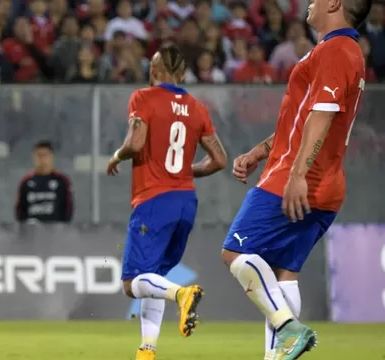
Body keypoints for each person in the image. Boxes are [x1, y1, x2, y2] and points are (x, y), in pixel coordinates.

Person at [220, 0, 372, 358]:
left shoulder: (337, 49)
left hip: (296, 177)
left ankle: (290, 328)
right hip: (326, 184)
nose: (309, 2)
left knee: (235, 252)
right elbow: (304, 119)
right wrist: (261, 150)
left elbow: (321, 116)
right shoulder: (341, 50)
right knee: (282, 272)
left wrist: (298, 173)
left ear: (335, 3)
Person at [106, 44, 228, 360]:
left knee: (133, 283)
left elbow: (135, 143)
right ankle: (147, 350)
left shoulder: (143, 98)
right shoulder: (198, 108)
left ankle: (182, 293)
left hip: (153, 201)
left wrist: (116, 155)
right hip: (186, 203)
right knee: (153, 277)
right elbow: (219, 160)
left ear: (154, 71)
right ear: (183, 73)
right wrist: (186, 172)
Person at [15, 140, 73, 223]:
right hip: (32, 231)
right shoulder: (26, 182)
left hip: (55, 231)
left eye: (45, 155)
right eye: (38, 156)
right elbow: (20, 210)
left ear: (51, 157)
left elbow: (67, 208)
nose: (42, 159)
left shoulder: (62, 181)